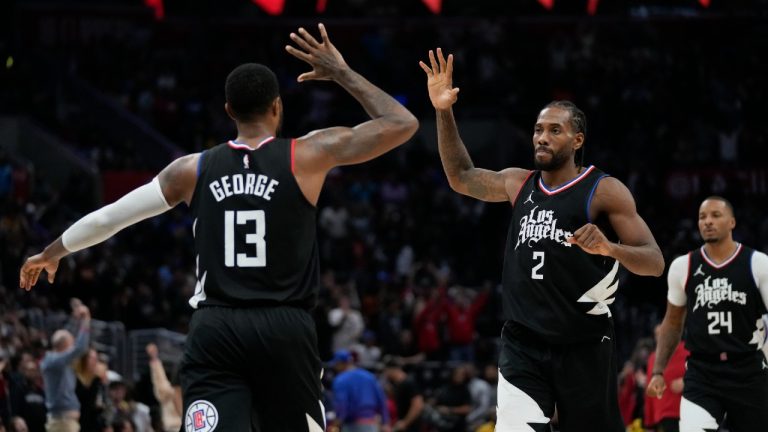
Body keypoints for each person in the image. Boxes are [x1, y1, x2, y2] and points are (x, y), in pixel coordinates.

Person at [20, 23, 418, 432]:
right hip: (284, 327)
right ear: (278, 107)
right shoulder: (309, 154)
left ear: (228, 111)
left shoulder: (191, 169)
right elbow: (401, 123)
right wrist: (341, 72)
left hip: (218, 328)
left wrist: (53, 251)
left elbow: (111, 217)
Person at [419, 48, 664, 431]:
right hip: (523, 343)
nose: (542, 137)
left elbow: (654, 261)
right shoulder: (518, 183)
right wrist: (442, 109)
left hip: (584, 344)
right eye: (538, 129)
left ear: (577, 139)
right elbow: (460, 176)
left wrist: (609, 248)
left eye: (554, 130)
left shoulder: (604, 191)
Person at [646, 196, 768, 432]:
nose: (707, 222)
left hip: (749, 371)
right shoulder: (683, 266)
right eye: (702, 217)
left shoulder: (757, 263)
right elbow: (672, 323)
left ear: (732, 222)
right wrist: (658, 371)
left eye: (715, 215)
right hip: (703, 373)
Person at [40, 302, 91, 432]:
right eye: (71, 344)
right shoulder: (55, 361)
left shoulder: (55, 358)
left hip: (64, 423)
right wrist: (86, 320)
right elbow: (81, 347)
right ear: (65, 347)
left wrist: (75, 319)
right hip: (62, 424)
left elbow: (66, 337)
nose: (73, 346)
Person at [327, 350, 390, 432]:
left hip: (352, 426)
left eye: (336, 365)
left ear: (341, 363)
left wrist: (337, 423)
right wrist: (385, 422)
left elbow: (342, 405)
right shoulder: (369, 376)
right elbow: (381, 400)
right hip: (371, 424)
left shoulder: (340, 380)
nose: (335, 368)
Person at [644, 324, 688, 432]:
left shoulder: (688, 351)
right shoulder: (652, 359)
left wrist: (685, 381)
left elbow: (703, 374)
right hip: (665, 415)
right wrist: (649, 423)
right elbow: (649, 392)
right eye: (656, 335)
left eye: (662, 334)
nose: (659, 338)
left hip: (688, 410)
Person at [144, 343, 181, 432]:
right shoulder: (169, 393)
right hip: (173, 428)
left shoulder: (193, 392)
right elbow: (160, 382)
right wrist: (154, 359)